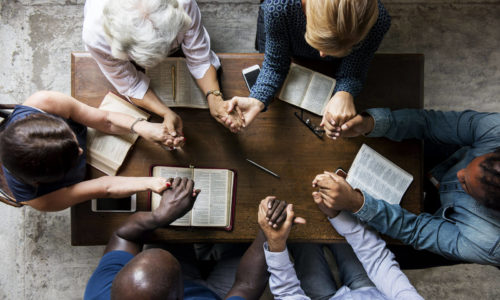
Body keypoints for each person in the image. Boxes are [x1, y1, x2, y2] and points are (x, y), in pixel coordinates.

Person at [313, 108, 500, 265]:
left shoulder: (488, 242)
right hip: (445, 159)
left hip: (451, 227)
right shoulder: (496, 131)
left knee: (378, 254)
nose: (460, 174)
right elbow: (429, 123)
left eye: (466, 184)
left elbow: (415, 230)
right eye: (469, 164)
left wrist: (356, 203)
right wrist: (369, 123)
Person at [84, 177, 269, 300]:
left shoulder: (100, 293)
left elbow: (122, 235)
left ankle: (204, 250)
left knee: (170, 233)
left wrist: (160, 216)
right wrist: (267, 233)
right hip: (218, 294)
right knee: (246, 242)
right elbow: (246, 285)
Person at [227, 0, 390, 135]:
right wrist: (257, 99)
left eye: (346, 47)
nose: (322, 55)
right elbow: (275, 64)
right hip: (281, 31)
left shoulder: (378, 21)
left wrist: (344, 92)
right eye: (319, 42)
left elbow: (355, 67)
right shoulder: (278, 7)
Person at [82, 0, 243, 135]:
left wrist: (215, 98)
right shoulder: (95, 36)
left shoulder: (182, 3)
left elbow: (199, 57)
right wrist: (165, 112)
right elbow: (131, 85)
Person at [0, 91, 176, 211]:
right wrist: (150, 183)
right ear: (42, 181)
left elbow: (106, 119)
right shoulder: (40, 199)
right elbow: (104, 187)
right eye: (73, 157)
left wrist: (141, 126)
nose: (80, 150)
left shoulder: (44, 103)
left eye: (72, 139)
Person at [259, 196, 423, 299]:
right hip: (369, 289)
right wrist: (337, 215)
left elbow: (288, 294)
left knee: (299, 233)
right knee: (337, 214)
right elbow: (378, 261)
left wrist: (277, 244)